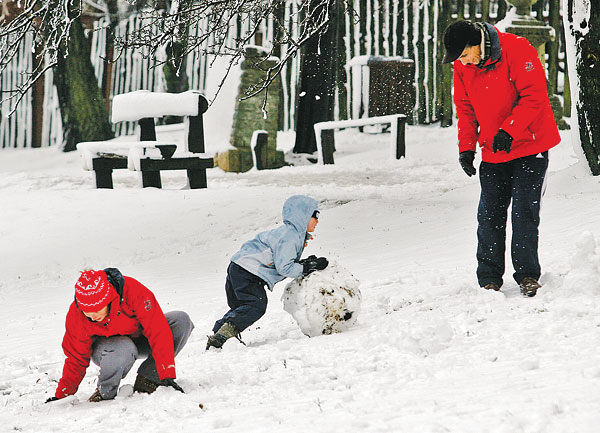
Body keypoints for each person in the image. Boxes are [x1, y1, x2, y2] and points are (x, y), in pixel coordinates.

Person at [442, 20, 560, 297]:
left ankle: (528, 275)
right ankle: (489, 279)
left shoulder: (517, 49)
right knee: (489, 215)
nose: (464, 62)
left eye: (464, 55)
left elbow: (535, 96)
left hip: (530, 146)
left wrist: (510, 129)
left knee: (523, 213)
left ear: (477, 44)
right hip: (494, 151)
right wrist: (466, 148)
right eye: (460, 58)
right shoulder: (464, 66)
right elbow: (465, 108)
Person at [46, 268, 194, 403]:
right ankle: (105, 392)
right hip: (109, 350)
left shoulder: (133, 291)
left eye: (97, 310)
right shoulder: (77, 315)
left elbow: (158, 330)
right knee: (123, 346)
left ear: (108, 300)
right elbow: (75, 358)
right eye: (87, 312)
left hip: (139, 338)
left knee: (180, 320)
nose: (92, 317)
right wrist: (62, 396)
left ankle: (149, 378)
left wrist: (165, 374)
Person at [206, 195, 328, 349]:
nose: (317, 221)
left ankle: (218, 336)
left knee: (242, 307)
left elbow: (282, 262)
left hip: (238, 267)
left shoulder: (289, 234)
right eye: (314, 216)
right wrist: (306, 268)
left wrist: (303, 264)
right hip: (248, 271)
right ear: (302, 215)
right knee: (256, 305)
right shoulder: (290, 236)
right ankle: (224, 335)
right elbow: (285, 268)